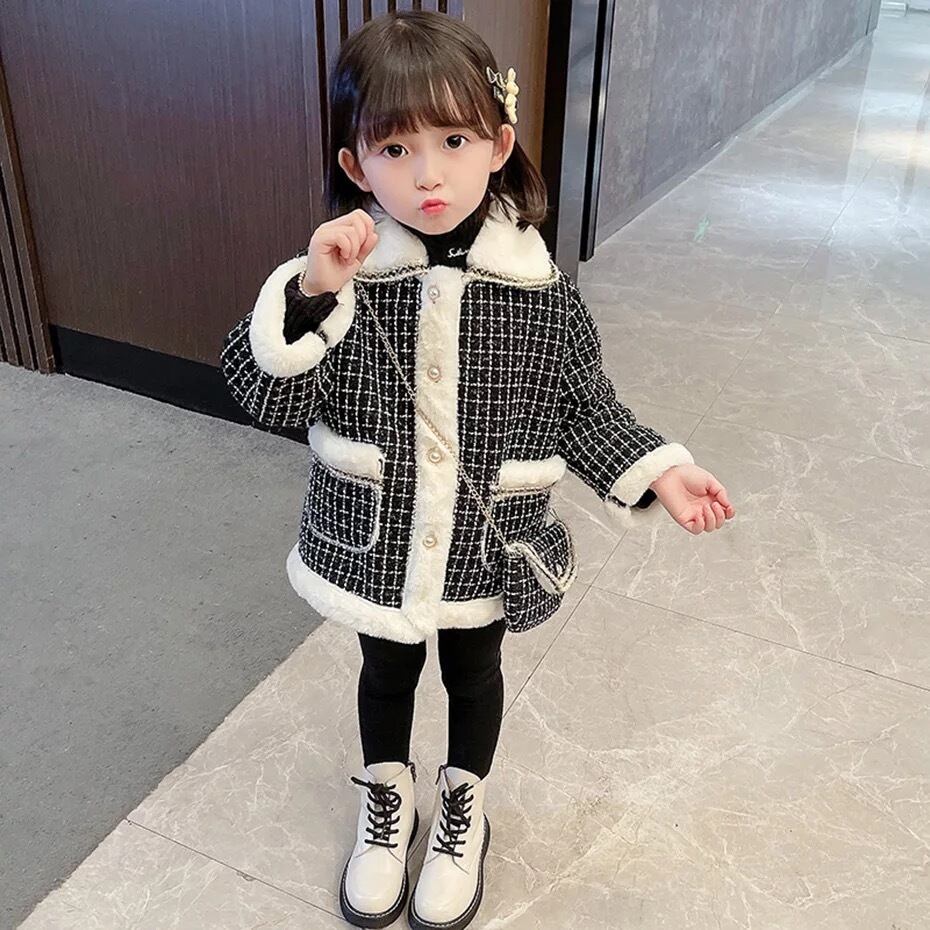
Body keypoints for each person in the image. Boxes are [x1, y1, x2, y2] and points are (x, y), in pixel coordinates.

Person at [220, 10, 735, 930]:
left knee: (474, 670)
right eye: (395, 148)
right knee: (385, 669)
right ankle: (388, 799)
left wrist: (658, 469)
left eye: (453, 141)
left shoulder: (541, 294)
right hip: (376, 536)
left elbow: (584, 404)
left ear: (497, 146)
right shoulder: (343, 278)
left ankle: (464, 803)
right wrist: (313, 293)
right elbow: (267, 394)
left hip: (487, 541)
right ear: (356, 167)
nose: (427, 174)